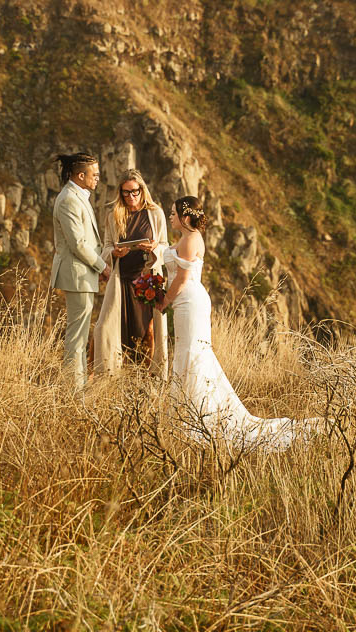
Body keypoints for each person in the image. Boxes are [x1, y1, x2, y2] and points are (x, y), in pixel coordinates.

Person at [158, 196, 315, 449]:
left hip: (189, 301)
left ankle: (198, 414)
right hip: (185, 302)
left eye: (174, 213)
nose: (171, 216)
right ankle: (187, 411)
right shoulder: (187, 238)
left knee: (192, 353)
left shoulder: (190, 240)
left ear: (185, 217)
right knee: (189, 352)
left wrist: (164, 301)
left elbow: (183, 278)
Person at [93, 169, 168, 379]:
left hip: (148, 280)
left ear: (142, 190)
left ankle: (151, 377)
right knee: (110, 329)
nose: (131, 197)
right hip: (122, 280)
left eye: (134, 192)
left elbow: (164, 245)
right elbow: (106, 246)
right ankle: (112, 375)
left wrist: (153, 248)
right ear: (120, 193)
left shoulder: (155, 213)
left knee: (149, 331)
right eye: (126, 193)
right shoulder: (113, 214)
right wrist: (114, 253)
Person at [50, 152, 110, 389]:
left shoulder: (78, 196)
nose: (98, 178)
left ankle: (79, 385)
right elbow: (78, 244)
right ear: (81, 175)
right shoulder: (68, 200)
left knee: (81, 335)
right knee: (76, 337)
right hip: (78, 275)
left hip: (83, 275)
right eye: (94, 174)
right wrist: (103, 267)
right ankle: (74, 392)